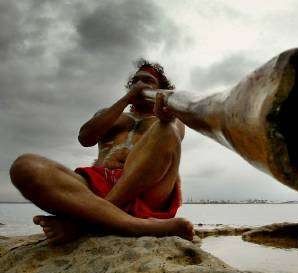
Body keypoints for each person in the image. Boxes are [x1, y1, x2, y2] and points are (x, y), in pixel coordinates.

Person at [9, 59, 194, 245]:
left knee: (167, 128)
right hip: (96, 188)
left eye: (147, 81)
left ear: (160, 89)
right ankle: (131, 224)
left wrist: (165, 114)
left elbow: (173, 135)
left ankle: (83, 226)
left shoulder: (169, 117)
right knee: (25, 167)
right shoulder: (110, 114)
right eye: (136, 81)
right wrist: (126, 99)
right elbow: (85, 138)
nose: (140, 85)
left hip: (149, 190)